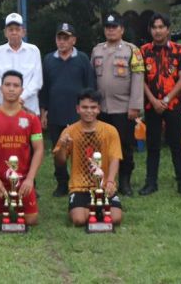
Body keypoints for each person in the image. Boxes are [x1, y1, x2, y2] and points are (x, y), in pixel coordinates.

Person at [0, 70, 44, 226]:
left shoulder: (31, 117)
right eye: (7, 85)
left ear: (22, 90)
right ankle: (3, 202)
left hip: (23, 180)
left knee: (31, 220)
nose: (11, 89)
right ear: (1, 88)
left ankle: (16, 200)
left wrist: (30, 179)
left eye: (16, 85)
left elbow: (39, 149)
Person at [138, 12, 181, 197]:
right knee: (152, 145)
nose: (158, 31)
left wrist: (166, 100)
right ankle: (150, 183)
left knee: (176, 145)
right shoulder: (143, 51)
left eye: (161, 27)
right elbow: (140, 79)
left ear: (168, 29)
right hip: (151, 105)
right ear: (150, 30)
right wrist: (154, 101)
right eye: (154, 27)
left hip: (173, 105)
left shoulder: (179, 50)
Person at [39, 22, 96, 197]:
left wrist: (90, 110)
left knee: (84, 149)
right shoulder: (48, 59)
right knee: (59, 151)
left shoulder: (83, 59)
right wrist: (43, 112)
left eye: (66, 38)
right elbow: (44, 88)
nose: (62, 41)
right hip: (56, 113)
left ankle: (84, 180)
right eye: (59, 38)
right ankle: (62, 183)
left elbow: (90, 86)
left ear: (73, 40)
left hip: (79, 114)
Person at [90, 13, 144, 196]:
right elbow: (92, 78)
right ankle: (103, 179)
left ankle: (125, 181)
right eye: (108, 27)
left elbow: (138, 79)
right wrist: (92, 105)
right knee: (101, 147)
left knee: (125, 146)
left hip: (123, 108)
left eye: (114, 27)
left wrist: (135, 106)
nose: (111, 30)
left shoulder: (132, 50)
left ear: (122, 30)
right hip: (102, 109)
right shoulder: (97, 50)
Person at [53, 89, 123, 227]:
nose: (89, 111)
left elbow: (115, 158)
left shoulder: (110, 130)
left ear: (99, 109)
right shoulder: (69, 132)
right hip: (80, 187)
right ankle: (93, 209)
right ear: (78, 109)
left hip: (104, 185)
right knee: (79, 220)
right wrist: (62, 146)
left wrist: (110, 181)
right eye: (84, 107)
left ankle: (98, 208)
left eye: (93, 107)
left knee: (115, 219)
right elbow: (60, 162)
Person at [0, 13, 43, 114]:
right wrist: (9, 96)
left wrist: (21, 97)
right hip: (4, 108)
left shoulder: (33, 51)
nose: (14, 32)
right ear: (5, 33)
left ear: (23, 32)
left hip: (28, 107)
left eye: (17, 29)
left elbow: (37, 80)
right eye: (11, 30)